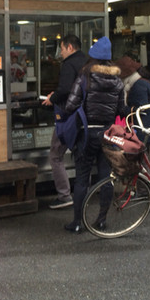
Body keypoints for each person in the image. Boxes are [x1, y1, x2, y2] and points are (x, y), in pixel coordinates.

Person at [62, 36, 126, 232]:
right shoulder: (117, 82)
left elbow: (70, 105)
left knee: (82, 178)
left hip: (87, 134)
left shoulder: (85, 77)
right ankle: (101, 221)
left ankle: (78, 222)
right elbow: (121, 110)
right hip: (107, 134)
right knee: (105, 177)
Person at [42, 35, 87, 209]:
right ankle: (83, 193)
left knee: (55, 155)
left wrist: (52, 98)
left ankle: (64, 195)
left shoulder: (69, 65)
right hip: (85, 117)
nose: (60, 53)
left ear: (69, 47)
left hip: (69, 118)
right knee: (81, 157)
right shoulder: (87, 62)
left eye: (61, 48)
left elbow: (65, 90)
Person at [116, 55, 150, 144]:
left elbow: (140, 109)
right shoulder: (138, 82)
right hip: (144, 129)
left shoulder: (139, 85)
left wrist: (121, 108)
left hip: (143, 131)